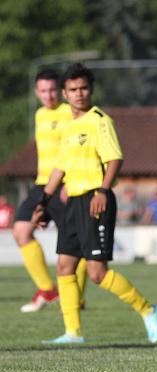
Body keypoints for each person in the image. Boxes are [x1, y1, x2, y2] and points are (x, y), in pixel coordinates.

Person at [31, 63, 157, 344]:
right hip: (73, 202)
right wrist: (42, 202)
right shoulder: (70, 127)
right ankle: (73, 333)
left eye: (83, 88)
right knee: (64, 266)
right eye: (73, 89)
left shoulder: (100, 120)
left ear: (90, 90)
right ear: (65, 94)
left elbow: (114, 159)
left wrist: (103, 190)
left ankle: (149, 310)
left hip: (95, 200)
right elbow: (59, 168)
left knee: (97, 273)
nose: (79, 93)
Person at [12, 69, 87, 313]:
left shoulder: (70, 112)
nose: (48, 95)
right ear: (36, 92)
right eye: (43, 91)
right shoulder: (39, 114)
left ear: (62, 91)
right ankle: (47, 290)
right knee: (21, 231)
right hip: (42, 184)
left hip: (65, 184)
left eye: (53, 90)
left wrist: (71, 180)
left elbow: (78, 147)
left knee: (78, 242)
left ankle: (76, 297)